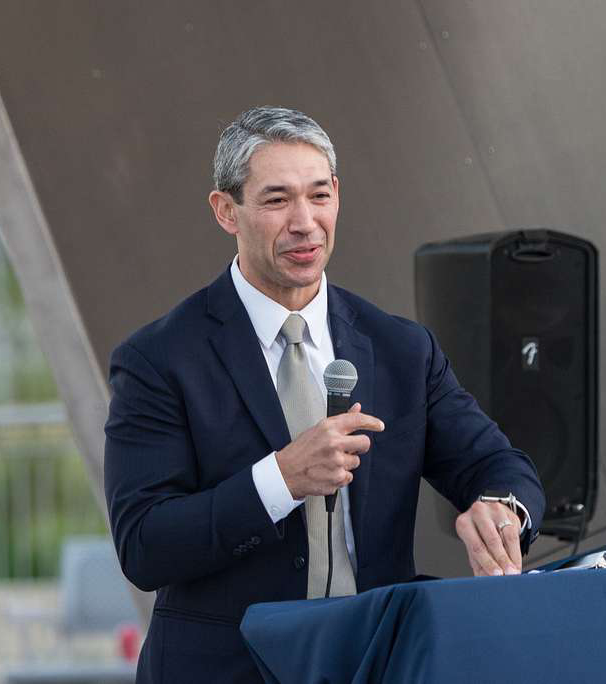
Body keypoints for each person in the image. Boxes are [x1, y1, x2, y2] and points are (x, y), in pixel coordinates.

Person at [103, 106, 545, 682]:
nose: (305, 222)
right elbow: (144, 545)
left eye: (318, 195)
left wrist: (501, 508)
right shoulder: (159, 360)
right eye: (277, 199)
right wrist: (280, 479)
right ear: (226, 211)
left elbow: (498, 464)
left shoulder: (402, 349)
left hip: (378, 661)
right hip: (227, 668)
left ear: (337, 194)